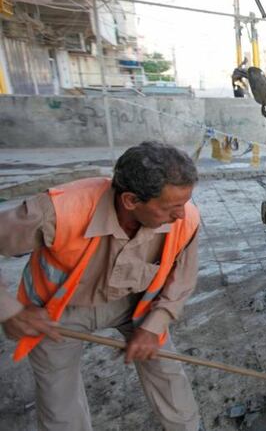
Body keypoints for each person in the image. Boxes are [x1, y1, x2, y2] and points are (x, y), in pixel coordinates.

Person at [0, 141, 201, 431]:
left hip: (135, 305)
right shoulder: (58, 211)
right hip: (58, 311)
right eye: (171, 207)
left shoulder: (186, 219)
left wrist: (152, 327)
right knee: (59, 399)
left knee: (167, 370)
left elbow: (182, 280)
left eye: (185, 203)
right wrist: (10, 311)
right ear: (131, 201)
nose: (182, 214)